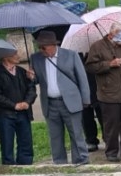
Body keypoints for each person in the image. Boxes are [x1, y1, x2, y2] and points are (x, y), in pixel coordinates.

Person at [30, 31, 92, 166]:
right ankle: (59, 162)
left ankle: (81, 159)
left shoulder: (71, 55)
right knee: (55, 136)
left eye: (43, 47)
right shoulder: (36, 58)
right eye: (39, 47)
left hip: (70, 101)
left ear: (53, 45)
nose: (41, 50)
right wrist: (31, 77)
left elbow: (82, 78)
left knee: (76, 133)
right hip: (50, 103)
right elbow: (36, 81)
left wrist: (85, 99)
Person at [84, 28, 121, 161]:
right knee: (111, 125)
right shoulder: (97, 46)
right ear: (111, 34)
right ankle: (112, 152)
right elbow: (90, 66)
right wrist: (109, 64)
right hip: (108, 92)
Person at [0, 46, 37, 166]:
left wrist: (27, 102)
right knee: (7, 145)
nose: (18, 56)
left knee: (26, 143)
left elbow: (31, 89)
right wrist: (14, 105)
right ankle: (9, 168)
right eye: (14, 54)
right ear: (5, 56)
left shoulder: (22, 71)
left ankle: (25, 166)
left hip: (23, 113)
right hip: (5, 115)